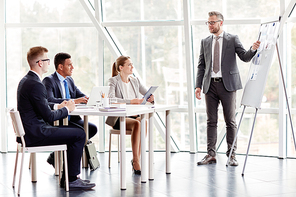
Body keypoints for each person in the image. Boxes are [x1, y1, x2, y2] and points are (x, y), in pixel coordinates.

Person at [17, 46, 95, 189]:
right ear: (40, 63)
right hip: (36, 133)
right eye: (47, 60)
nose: (49, 63)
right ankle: (71, 180)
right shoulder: (36, 84)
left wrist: (58, 106)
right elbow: (49, 117)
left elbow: (42, 106)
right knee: (79, 134)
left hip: (30, 130)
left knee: (77, 132)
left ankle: (68, 178)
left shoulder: (27, 80)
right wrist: (67, 109)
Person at [195, 11, 261, 166]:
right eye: (208, 22)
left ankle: (231, 155)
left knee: (230, 121)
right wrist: (198, 85)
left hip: (228, 85)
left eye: (212, 22)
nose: (210, 25)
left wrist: (252, 49)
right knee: (211, 121)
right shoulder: (205, 41)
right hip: (209, 85)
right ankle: (211, 154)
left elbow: (244, 57)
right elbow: (201, 65)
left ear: (221, 23)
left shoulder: (232, 39)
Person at [42, 52, 97, 166]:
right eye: (69, 65)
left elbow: (79, 95)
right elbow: (49, 100)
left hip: (72, 119)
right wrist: (72, 101)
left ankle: (56, 156)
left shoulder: (70, 80)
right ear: (60, 67)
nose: (73, 67)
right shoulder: (49, 80)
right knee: (80, 133)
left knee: (92, 129)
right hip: (58, 119)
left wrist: (90, 99)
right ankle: (64, 161)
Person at [105, 55, 154, 175]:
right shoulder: (113, 81)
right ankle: (136, 161)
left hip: (132, 115)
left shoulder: (135, 80)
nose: (132, 66)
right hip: (118, 118)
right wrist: (131, 101)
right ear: (121, 67)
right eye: (129, 64)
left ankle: (136, 158)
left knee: (144, 121)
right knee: (137, 123)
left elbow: (146, 93)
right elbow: (111, 99)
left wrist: (151, 97)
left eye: (132, 64)